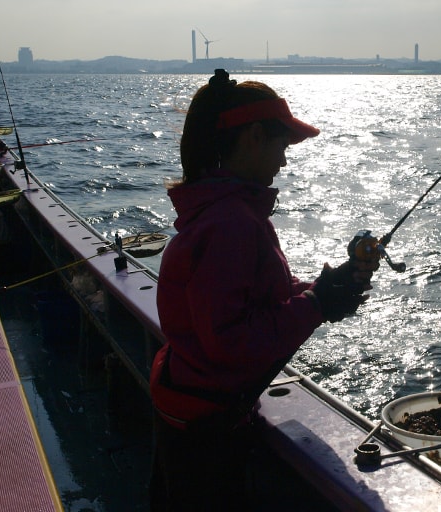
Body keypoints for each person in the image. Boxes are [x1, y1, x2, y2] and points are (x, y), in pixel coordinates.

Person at [149, 69, 379, 511]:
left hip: (194, 409)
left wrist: (324, 289)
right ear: (254, 136)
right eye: (281, 146)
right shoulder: (230, 223)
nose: (284, 161)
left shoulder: (227, 210)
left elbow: (255, 296)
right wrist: (315, 304)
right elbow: (230, 341)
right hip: (206, 431)